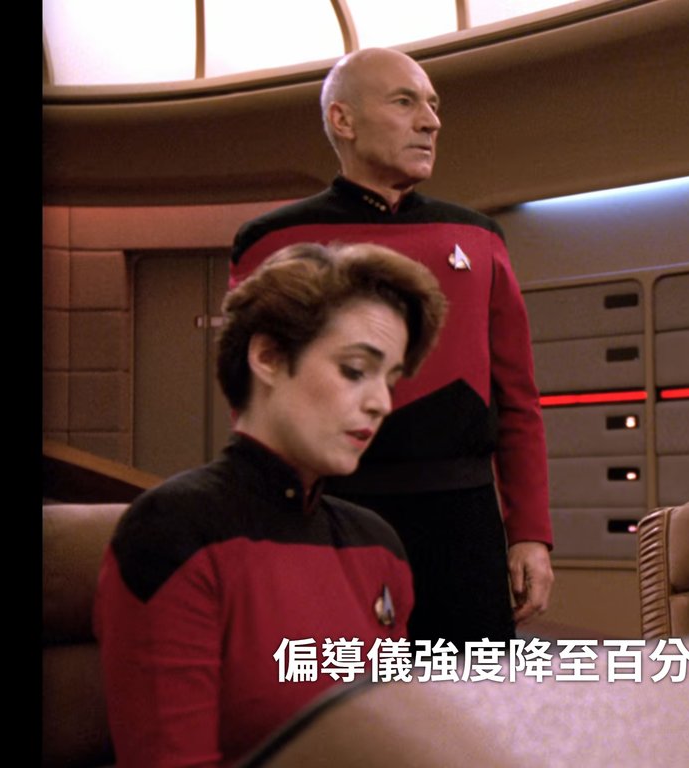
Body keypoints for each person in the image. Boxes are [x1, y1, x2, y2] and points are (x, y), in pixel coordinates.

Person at [229, 48, 553, 643]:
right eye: (405, 102)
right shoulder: (274, 240)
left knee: (476, 694)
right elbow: (254, 408)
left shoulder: (478, 236)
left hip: (464, 523)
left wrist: (530, 532)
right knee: (333, 692)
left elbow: (517, 398)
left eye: (432, 105)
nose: (430, 121)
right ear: (343, 120)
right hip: (325, 516)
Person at [95, 242, 448, 766]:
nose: (382, 403)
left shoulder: (379, 545)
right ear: (269, 357)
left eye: (391, 380)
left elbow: (393, 737)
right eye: (355, 370)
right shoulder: (173, 530)